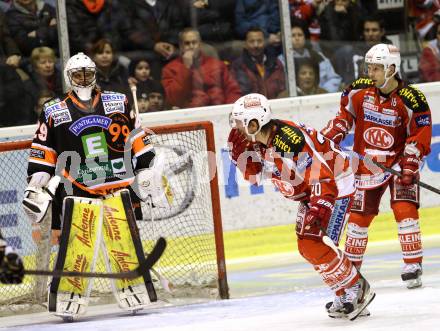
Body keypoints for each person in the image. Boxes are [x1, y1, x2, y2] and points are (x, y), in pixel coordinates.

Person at [22, 52, 168, 319]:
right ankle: (69, 295)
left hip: (117, 187)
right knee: (77, 247)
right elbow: (43, 152)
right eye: (78, 74)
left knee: (123, 243)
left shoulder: (119, 102)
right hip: (78, 191)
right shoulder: (54, 110)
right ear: (68, 77)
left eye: (88, 73)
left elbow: (138, 139)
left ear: (95, 74)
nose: (84, 78)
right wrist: (36, 183)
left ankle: (133, 288)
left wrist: (146, 169)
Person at [228, 93, 375, 319]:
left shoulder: (288, 139)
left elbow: (321, 173)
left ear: (254, 122)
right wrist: (241, 161)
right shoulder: (258, 142)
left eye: (239, 122)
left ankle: (356, 289)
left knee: (319, 243)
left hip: (336, 185)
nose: (236, 128)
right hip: (310, 193)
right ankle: (343, 292)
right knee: (307, 246)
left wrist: (321, 204)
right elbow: (256, 177)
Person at [321, 44, 432, 289]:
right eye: (369, 67)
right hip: (367, 164)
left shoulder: (412, 98)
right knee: (359, 218)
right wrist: (332, 135)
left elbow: (420, 133)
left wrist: (411, 163)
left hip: (398, 162)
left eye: (377, 68)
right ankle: (351, 272)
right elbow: (344, 116)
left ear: (392, 69)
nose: (371, 73)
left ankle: (413, 265)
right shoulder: (359, 91)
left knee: (404, 210)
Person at [162, 27, 241, 108]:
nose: (191, 46)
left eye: (194, 42)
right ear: (181, 46)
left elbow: (233, 90)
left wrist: (229, 110)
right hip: (191, 114)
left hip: (219, 110)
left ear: (200, 44)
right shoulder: (170, 69)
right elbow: (173, 99)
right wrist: (185, 68)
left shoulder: (217, 64)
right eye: (187, 43)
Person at [230, 26, 286, 99]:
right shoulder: (238, 66)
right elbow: (237, 94)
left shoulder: (276, 63)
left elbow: (283, 90)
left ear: (265, 42)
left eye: (259, 41)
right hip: (250, 108)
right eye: (251, 41)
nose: (256, 45)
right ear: (245, 44)